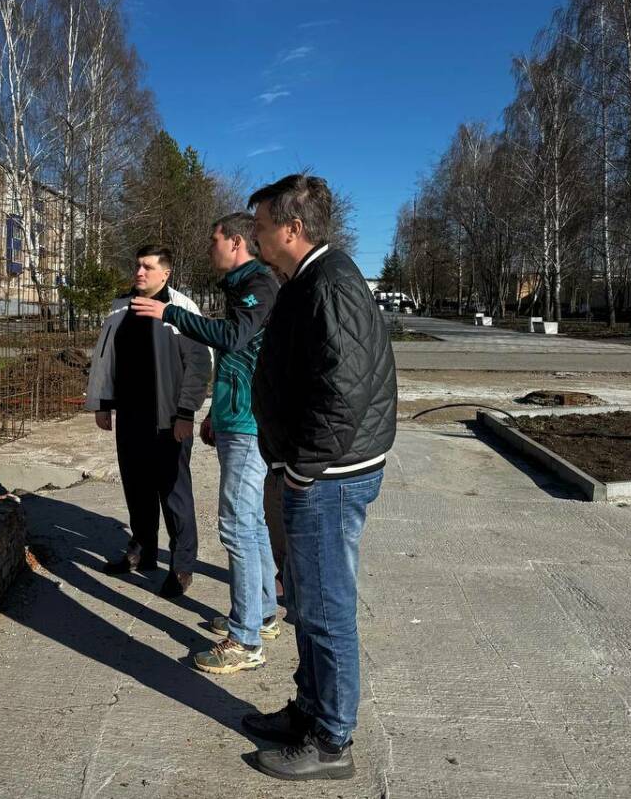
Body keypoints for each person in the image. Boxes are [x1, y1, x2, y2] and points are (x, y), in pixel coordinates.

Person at [243, 174, 397, 782]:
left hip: (329, 477)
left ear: (292, 229)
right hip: (317, 472)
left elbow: (345, 392)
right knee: (306, 602)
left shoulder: (331, 284)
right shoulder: (307, 280)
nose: (253, 235)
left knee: (327, 608)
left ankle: (332, 739)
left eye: (259, 226)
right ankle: (309, 710)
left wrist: (302, 469)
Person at [131, 213, 281, 675]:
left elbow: (234, 337)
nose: (209, 246)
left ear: (236, 242)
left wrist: (171, 312)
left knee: (236, 524)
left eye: (214, 239)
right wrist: (215, 413)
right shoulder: (241, 286)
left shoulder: (260, 282)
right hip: (236, 416)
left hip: (253, 424)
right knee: (250, 522)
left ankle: (245, 640)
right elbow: (238, 359)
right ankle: (261, 615)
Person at [85, 244, 212, 599]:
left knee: (174, 495)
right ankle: (142, 551)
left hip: (169, 419)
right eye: (137, 265)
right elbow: (106, 358)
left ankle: (182, 565)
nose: (139, 272)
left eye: (147, 267)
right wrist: (101, 403)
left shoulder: (181, 310)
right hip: (131, 417)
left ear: (165, 273)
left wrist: (187, 412)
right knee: (136, 489)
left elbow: (200, 365)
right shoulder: (120, 308)